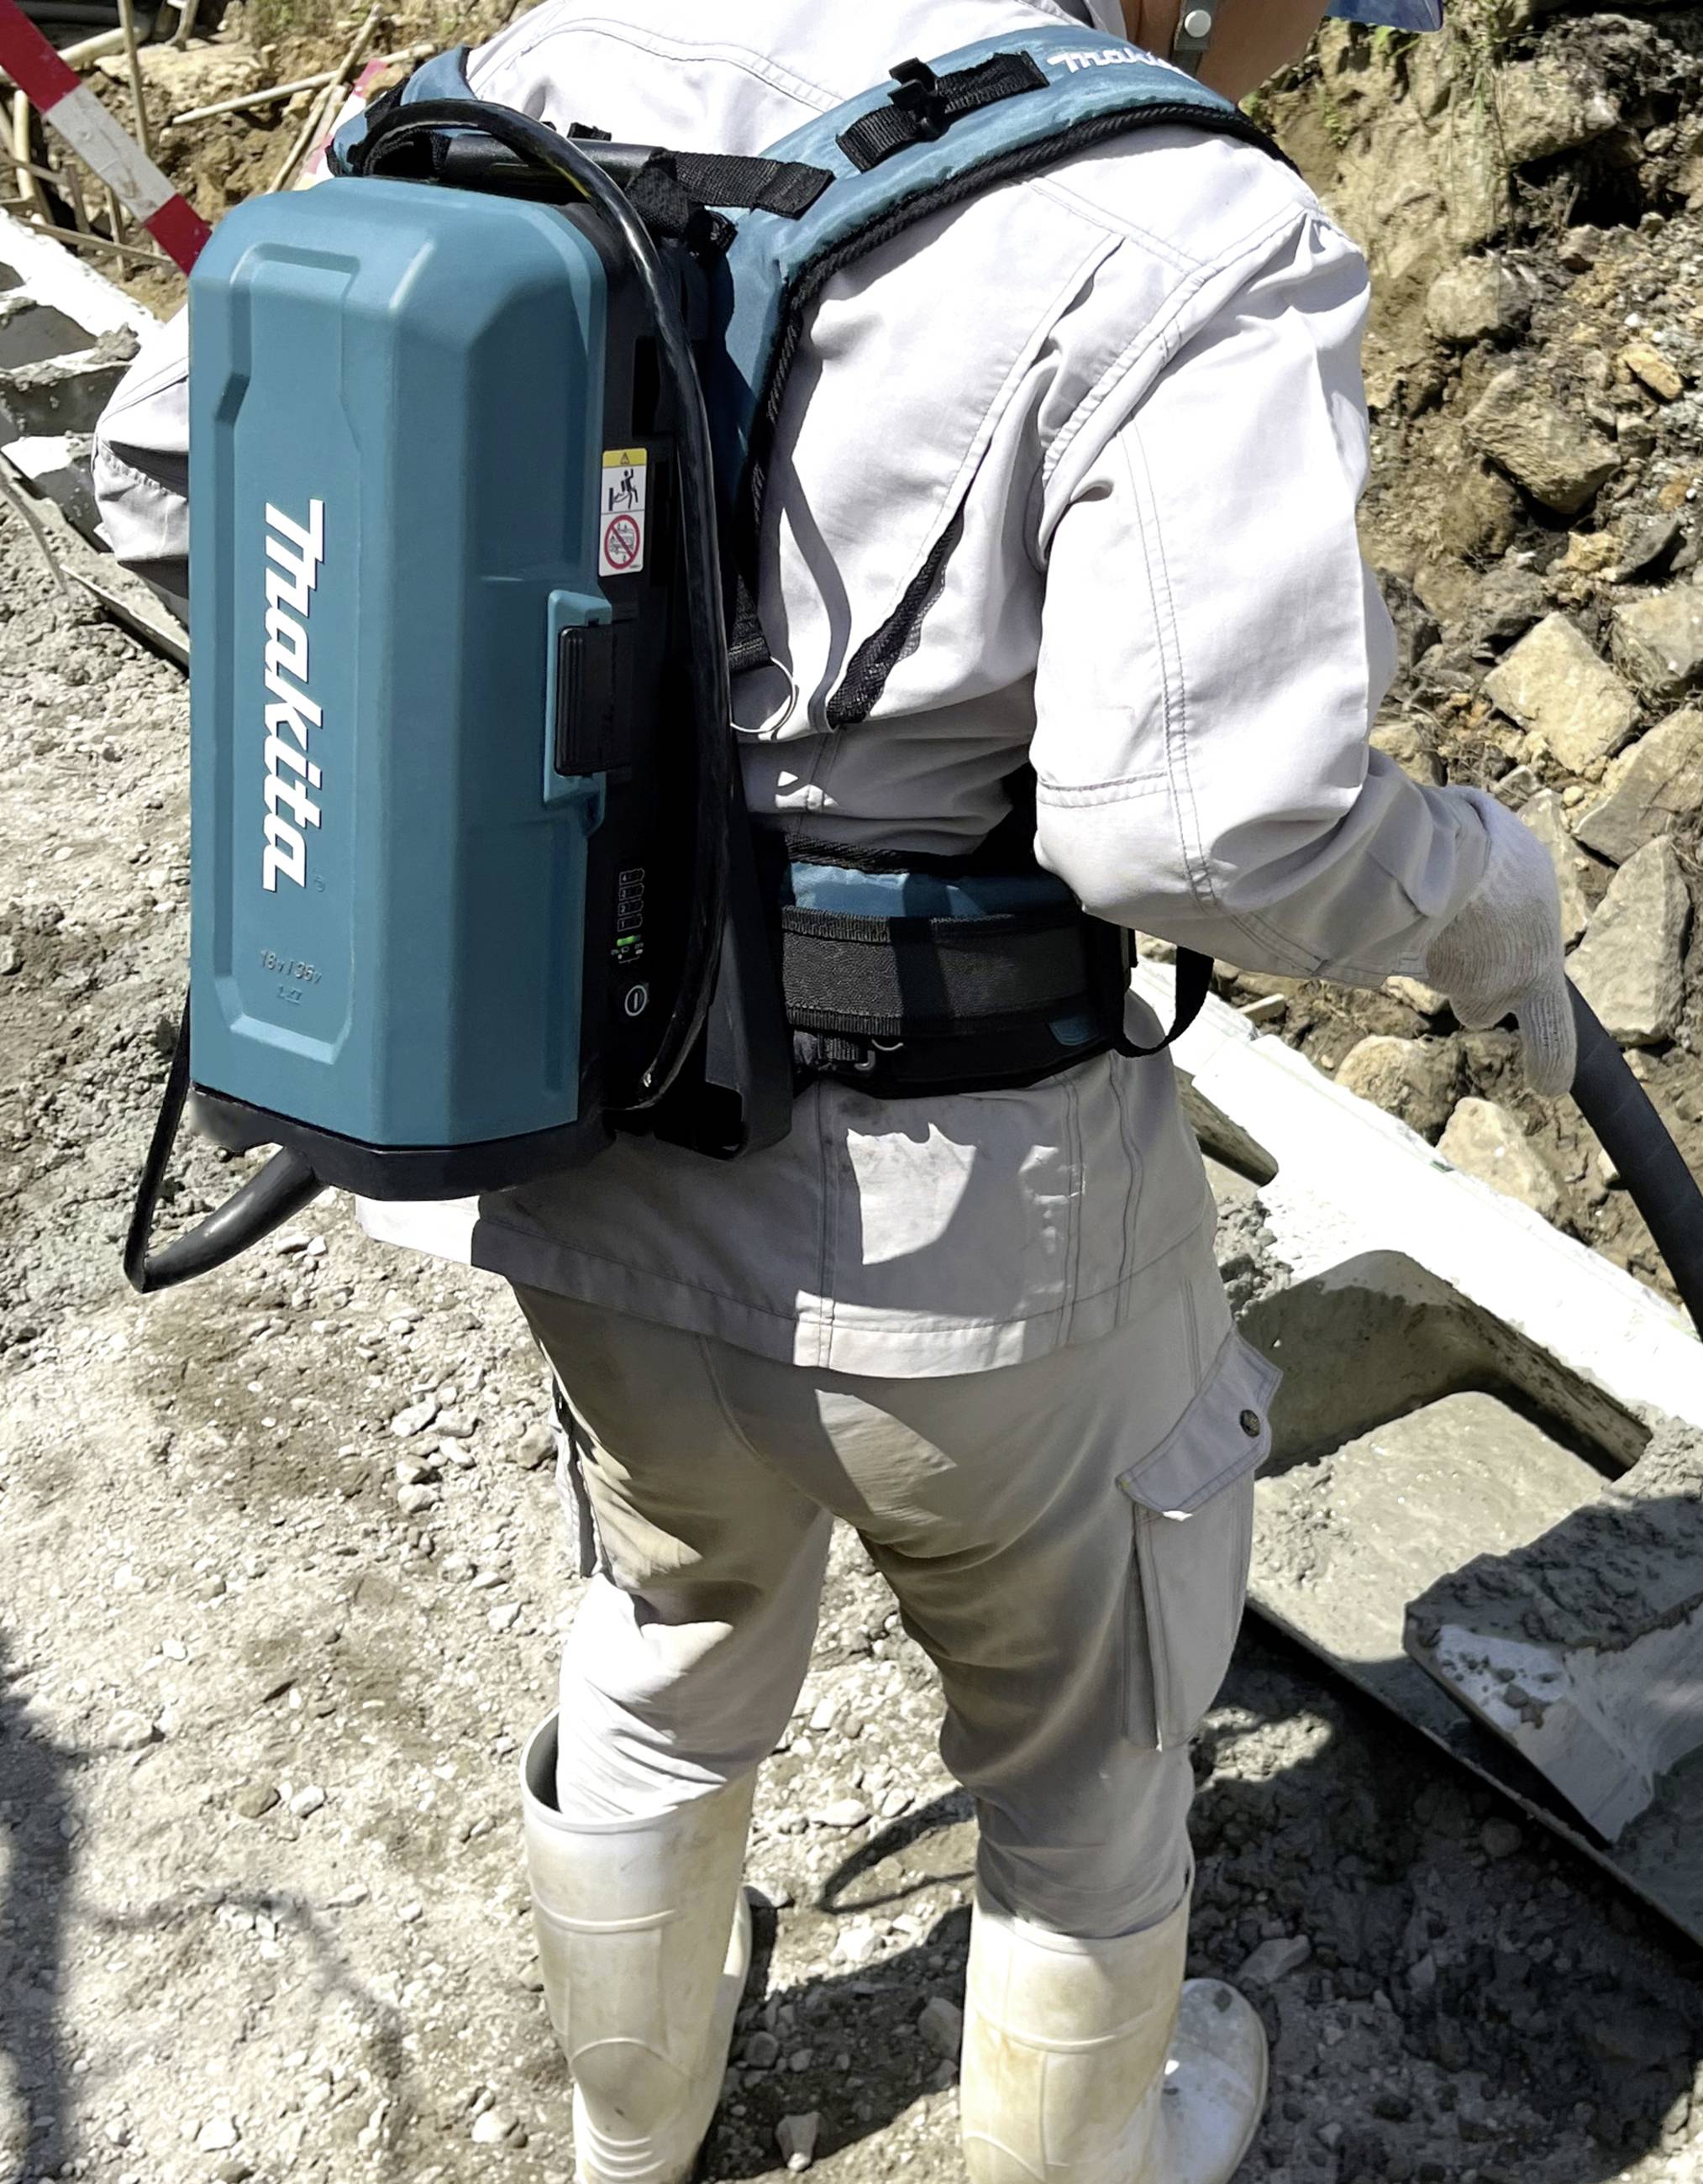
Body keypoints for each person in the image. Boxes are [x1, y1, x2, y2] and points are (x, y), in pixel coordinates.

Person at [93, 3, 1572, 2179]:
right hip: (982, 1236)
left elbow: (161, 469)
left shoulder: (529, 69)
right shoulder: (1183, 223)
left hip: (585, 1142)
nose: (1318, 42)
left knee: (669, 1621)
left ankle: (635, 2147)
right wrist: (1491, 903)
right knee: (1083, 1759)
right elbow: (1208, 835)